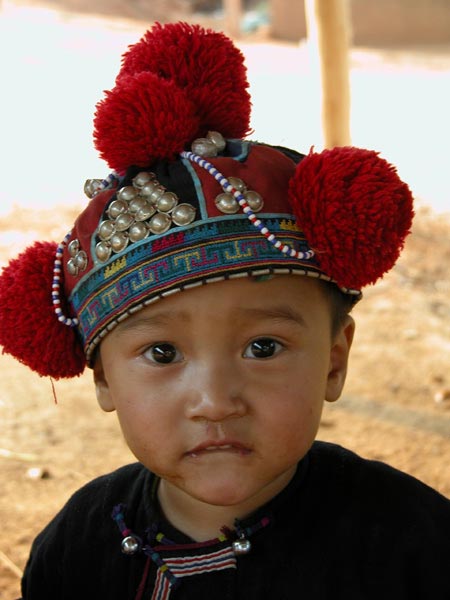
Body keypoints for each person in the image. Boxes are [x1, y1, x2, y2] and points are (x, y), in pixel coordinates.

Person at [0, 22, 448, 600]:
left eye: (263, 347)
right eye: (162, 353)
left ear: (334, 361)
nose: (215, 400)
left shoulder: (411, 546)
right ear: (104, 376)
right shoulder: (75, 550)